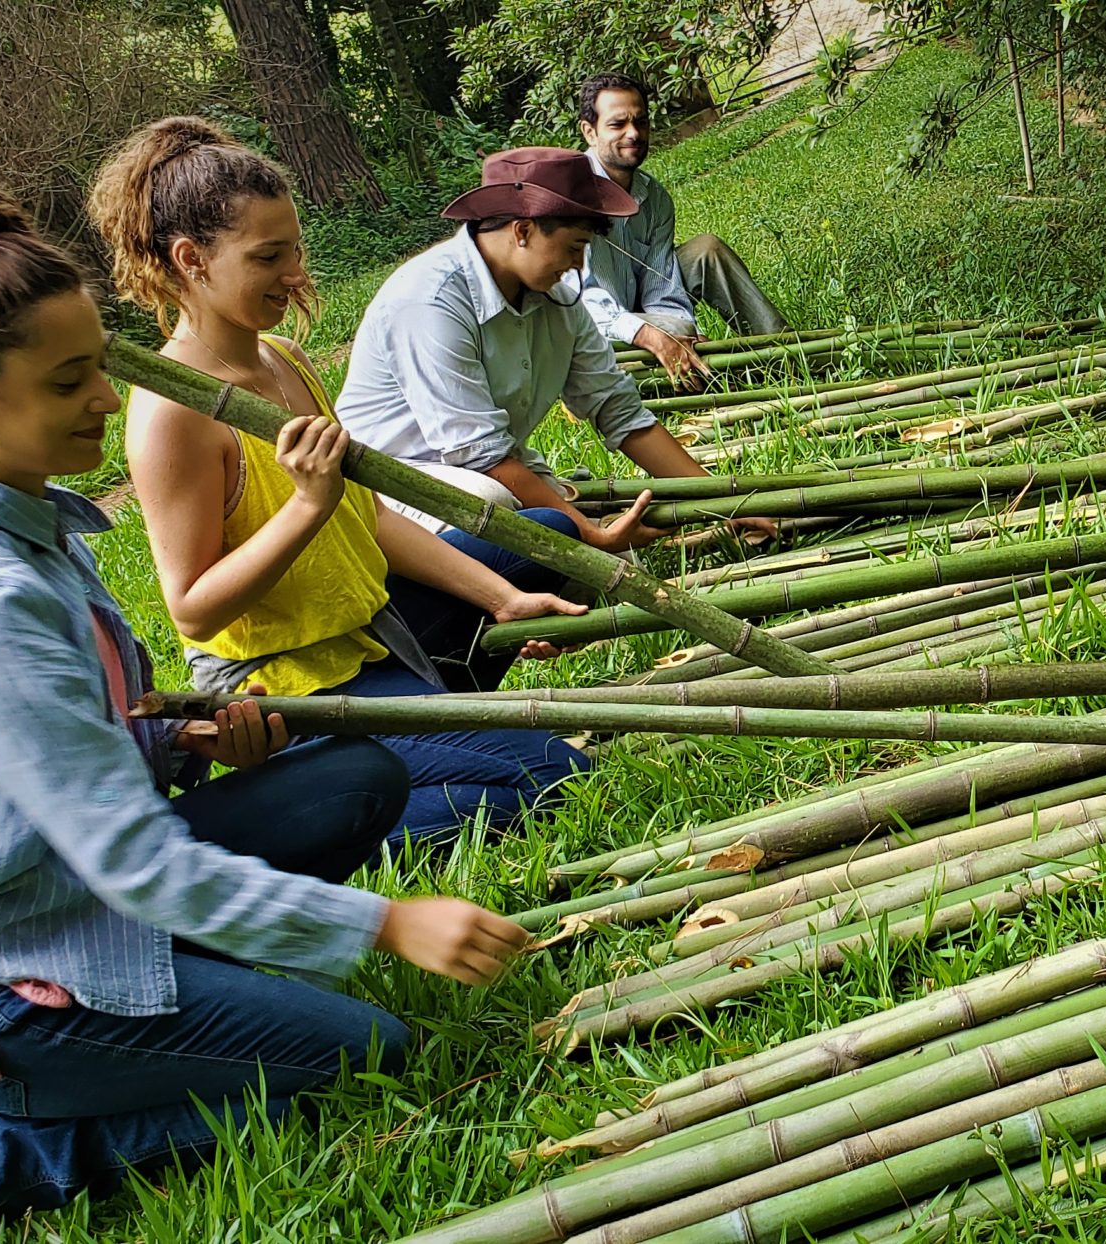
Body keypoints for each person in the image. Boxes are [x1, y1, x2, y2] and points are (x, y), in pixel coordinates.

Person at [0, 160, 528, 1244]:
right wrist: (385, 920)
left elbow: (75, 746)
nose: (106, 399)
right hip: (12, 979)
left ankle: (206, 987)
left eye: (98, 366)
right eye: (68, 382)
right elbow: (136, 859)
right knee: (370, 1050)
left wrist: (178, 740)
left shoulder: (3, 504)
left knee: (361, 776)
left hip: (65, 894)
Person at [90, 116, 593, 847]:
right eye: (269, 257)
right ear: (191, 259)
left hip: (365, 633)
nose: (295, 274)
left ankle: (428, 721)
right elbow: (194, 610)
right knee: (551, 780)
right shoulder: (172, 413)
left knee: (545, 537)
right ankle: (323, 810)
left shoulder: (284, 359)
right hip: (291, 687)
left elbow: (364, 518)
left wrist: (503, 598)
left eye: (295, 247)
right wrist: (304, 507)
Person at [332, 146, 771, 549]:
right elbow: (480, 455)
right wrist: (589, 534)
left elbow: (616, 408)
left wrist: (727, 502)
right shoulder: (429, 300)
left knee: (568, 543)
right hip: (386, 489)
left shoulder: (558, 297)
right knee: (498, 504)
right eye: (575, 247)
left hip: (486, 469)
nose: (579, 265)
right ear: (522, 230)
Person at [576, 72, 792, 393]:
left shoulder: (654, 197)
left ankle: (783, 352)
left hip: (642, 315)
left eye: (641, 121)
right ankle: (702, 375)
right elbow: (578, 306)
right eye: (617, 124)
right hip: (590, 330)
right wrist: (651, 335)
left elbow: (661, 286)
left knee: (707, 249)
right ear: (590, 132)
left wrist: (678, 329)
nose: (633, 133)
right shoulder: (569, 197)